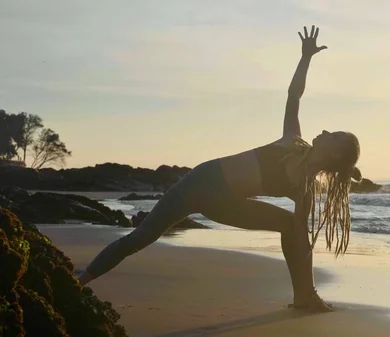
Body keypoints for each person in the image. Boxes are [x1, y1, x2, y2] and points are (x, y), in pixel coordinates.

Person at [77, 25, 362, 312]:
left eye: (334, 135)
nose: (325, 130)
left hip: (226, 204)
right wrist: (306, 58)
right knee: (141, 237)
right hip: (199, 183)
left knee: (293, 228)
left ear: (335, 155)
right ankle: (80, 281)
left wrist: (305, 254)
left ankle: (304, 296)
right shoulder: (292, 141)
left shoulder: (304, 189)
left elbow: (303, 243)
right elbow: (294, 96)